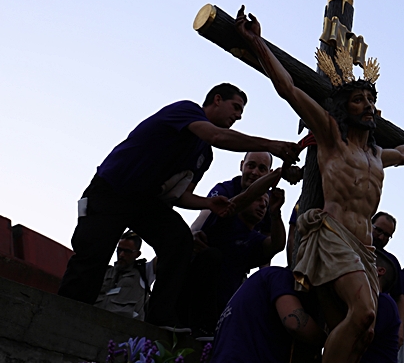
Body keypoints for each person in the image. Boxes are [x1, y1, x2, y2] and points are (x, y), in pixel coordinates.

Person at [235, 6, 404, 363]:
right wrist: (256, 42)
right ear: (344, 107)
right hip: (330, 237)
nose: (368, 106)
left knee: (359, 331)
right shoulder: (331, 137)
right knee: (365, 311)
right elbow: (289, 89)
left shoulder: (377, 156)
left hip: (364, 251)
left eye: (371, 100)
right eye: (359, 100)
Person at [58, 83, 301, 331]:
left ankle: (160, 318)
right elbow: (216, 136)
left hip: (146, 202)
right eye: (236, 107)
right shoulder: (185, 111)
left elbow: (180, 196)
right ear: (217, 100)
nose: (238, 115)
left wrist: (207, 203)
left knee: (179, 240)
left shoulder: (204, 155)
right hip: (112, 189)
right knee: (93, 255)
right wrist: (272, 145)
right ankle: (64, 315)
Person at [179, 168, 288, 339]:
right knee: (212, 256)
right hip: (189, 306)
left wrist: (275, 212)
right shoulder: (224, 219)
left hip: (223, 312)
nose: (262, 205)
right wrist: (279, 173)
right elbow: (242, 199)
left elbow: (277, 245)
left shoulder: (254, 240)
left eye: (265, 204)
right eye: (258, 200)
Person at [94, 231, 149, 320]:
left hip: (122, 329)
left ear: (137, 254)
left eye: (127, 251)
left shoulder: (144, 274)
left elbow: (168, 255)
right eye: (119, 250)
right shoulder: (105, 272)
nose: (121, 255)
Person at [371, 211, 404, 346]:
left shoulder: (391, 262)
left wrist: (400, 328)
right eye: (378, 230)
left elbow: (400, 297)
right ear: (370, 224)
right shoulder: (352, 247)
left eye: (387, 235)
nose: (381, 237)